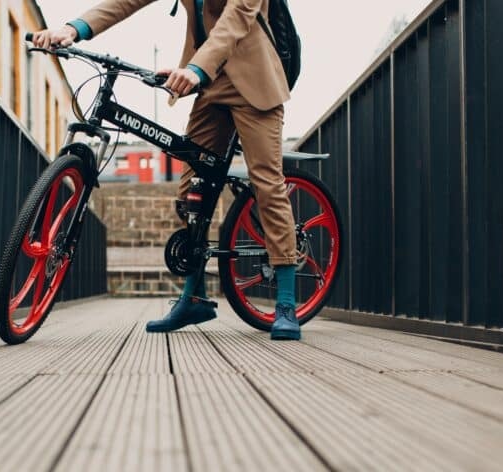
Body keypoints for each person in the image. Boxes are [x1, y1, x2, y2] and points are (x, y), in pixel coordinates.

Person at [32, 0, 301, 340]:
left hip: (254, 83)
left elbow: (236, 19)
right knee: (191, 192)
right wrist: (74, 29)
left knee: (266, 182)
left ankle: (287, 304)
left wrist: (195, 69)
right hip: (211, 86)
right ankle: (194, 298)